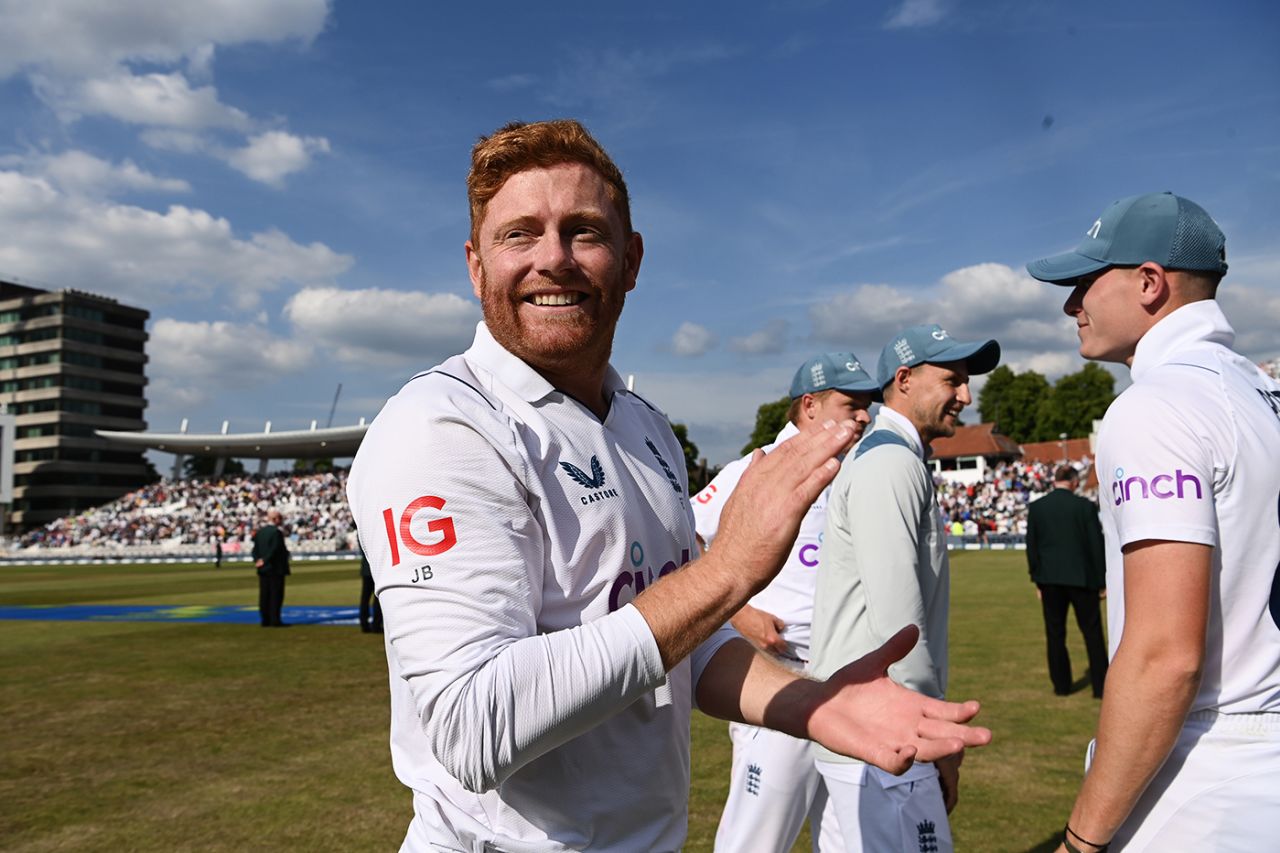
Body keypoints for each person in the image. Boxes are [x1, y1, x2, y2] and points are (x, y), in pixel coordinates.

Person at [346, 119, 990, 852]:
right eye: (518, 235)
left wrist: (815, 703)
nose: (553, 258)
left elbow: (689, 639)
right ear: (474, 265)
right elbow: (471, 725)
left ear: (631, 259)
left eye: (584, 231)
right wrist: (726, 570)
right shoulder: (440, 425)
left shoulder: (647, 428)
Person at [1027, 191, 1280, 852]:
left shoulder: (1157, 407)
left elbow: (1165, 658)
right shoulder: (1259, 391)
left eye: (1084, 283)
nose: (1069, 305)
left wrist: (1079, 839)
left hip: (1212, 771)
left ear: (1149, 282)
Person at [810, 323, 1000, 853]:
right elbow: (900, 626)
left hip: (863, 728)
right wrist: (935, 738)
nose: (966, 395)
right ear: (904, 379)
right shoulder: (891, 461)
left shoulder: (892, 456)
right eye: (953, 380)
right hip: (888, 732)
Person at [693, 353, 881, 853]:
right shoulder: (757, 468)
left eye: (868, 405)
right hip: (781, 675)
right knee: (757, 841)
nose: (865, 415)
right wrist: (737, 612)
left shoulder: (857, 470)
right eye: (852, 404)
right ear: (810, 406)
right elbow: (682, 533)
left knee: (849, 839)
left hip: (850, 679)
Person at [1025, 465, 1108, 698]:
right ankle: (1100, 687)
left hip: (1050, 579)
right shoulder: (1084, 507)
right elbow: (1096, 544)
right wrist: (1102, 580)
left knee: (1055, 634)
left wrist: (1037, 579)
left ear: (1055, 480)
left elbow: (1032, 547)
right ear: (1073, 482)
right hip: (1082, 579)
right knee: (1092, 634)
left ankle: (1061, 686)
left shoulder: (1038, 508)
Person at [251, 509, 290, 627]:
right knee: (275, 595)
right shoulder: (276, 532)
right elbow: (275, 549)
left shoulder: (260, 532)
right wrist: (265, 560)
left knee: (264, 595)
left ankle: (265, 619)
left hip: (263, 569)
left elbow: (254, 550)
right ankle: (275, 620)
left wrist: (258, 560)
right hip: (275, 568)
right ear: (275, 519)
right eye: (280, 518)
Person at [358, 544, 382, 634]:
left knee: (365, 598)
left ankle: (364, 624)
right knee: (377, 599)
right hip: (376, 569)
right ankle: (376, 625)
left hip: (366, 569)